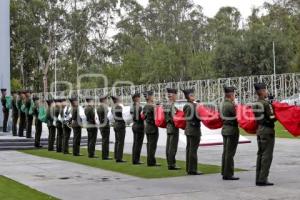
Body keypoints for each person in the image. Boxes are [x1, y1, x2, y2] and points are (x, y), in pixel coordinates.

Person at [253, 83, 276, 186]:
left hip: (259, 130)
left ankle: (258, 178)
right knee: (267, 156)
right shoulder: (266, 104)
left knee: (260, 155)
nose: (267, 92)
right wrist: (276, 115)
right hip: (267, 131)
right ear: (262, 91)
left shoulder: (256, 103)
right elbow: (271, 118)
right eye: (265, 90)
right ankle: (263, 179)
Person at [220, 86, 240, 180]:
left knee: (225, 152)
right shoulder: (230, 105)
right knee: (230, 153)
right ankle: (228, 174)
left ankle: (224, 171)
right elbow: (236, 117)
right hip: (232, 130)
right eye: (234, 94)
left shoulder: (222, 104)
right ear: (231, 95)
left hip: (225, 129)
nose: (234, 96)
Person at [182, 88, 203, 175]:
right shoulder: (191, 106)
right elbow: (194, 117)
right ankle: (193, 169)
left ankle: (189, 168)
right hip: (193, 129)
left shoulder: (188, 105)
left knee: (189, 150)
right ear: (188, 96)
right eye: (191, 95)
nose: (193, 96)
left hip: (189, 129)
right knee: (193, 150)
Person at [164, 88, 180, 170]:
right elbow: (174, 118)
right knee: (172, 147)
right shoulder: (172, 105)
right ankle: (172, 164)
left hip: (168, 127)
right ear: (173, 95)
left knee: (168, 146)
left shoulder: (166, 104)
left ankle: (169, 163)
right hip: (173, 127)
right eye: (175, 95)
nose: (176, 97)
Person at [143, 91, 160, 167]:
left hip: (147, 127)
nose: (153, 97)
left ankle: (150, 161)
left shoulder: (145, 106)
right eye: (152, 96)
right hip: (153, 127)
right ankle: (151, 162)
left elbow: (143, 116)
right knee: (152, 145)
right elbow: (156, 117)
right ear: (149, 97)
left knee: (149, 144)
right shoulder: (152, 106)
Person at [130, 93, 145, 165]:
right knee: (138, 144)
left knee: (135, 143)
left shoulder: (132, 106)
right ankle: (136, 160)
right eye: (139, 97)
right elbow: (142, 117)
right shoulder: (139, 107)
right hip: (139, 125)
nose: (140, 98)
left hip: (134, 125)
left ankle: (134, 159)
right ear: (136, 98)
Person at [111, 96, 126, 163]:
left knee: (117, 141)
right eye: (119, 99)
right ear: (117, 100)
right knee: (121, 142)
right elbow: (124, 116)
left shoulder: (113, 107)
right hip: (120, 125)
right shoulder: (119, 107)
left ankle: (116, 156)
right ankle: (119, 158)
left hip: (116, 124)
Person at [97, 95, 112, 160]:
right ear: (103, 100)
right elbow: (108, 116)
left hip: (101, 124)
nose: (107, 100)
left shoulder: (99, 107)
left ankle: (105, 155)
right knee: (105, 141)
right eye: (106, 99)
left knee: (104, 140)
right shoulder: (104, 107)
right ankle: (105, 156)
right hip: (105, 125)